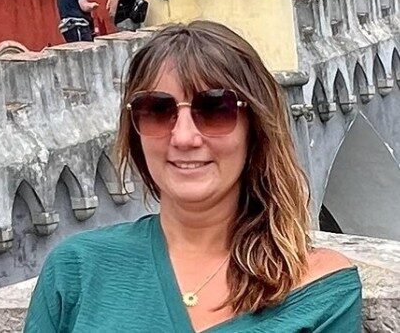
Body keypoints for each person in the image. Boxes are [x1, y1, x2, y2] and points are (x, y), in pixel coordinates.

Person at [24, 21, 362, 332]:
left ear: (254, 128)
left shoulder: (320, 290)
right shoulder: (76, 271)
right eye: (157, 110)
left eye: (215, 109)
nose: (184, 137)